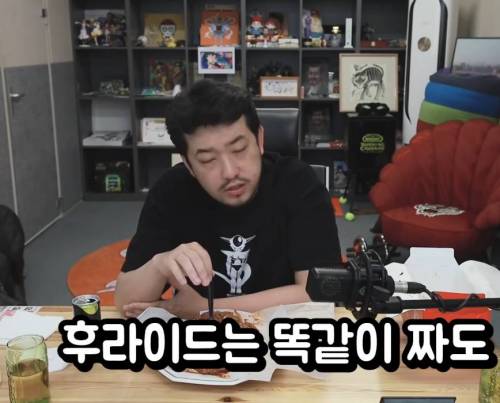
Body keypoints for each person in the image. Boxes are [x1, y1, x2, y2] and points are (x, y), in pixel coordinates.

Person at [115, 79, 341, 319]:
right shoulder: (171, 190)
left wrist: (205, 307)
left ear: (259, 140)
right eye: (207, 160)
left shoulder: (298, 183)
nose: (230, 172)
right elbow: (126, 301)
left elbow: (320, 293)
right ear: (188, 164)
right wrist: (160, 264)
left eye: (239, 149)